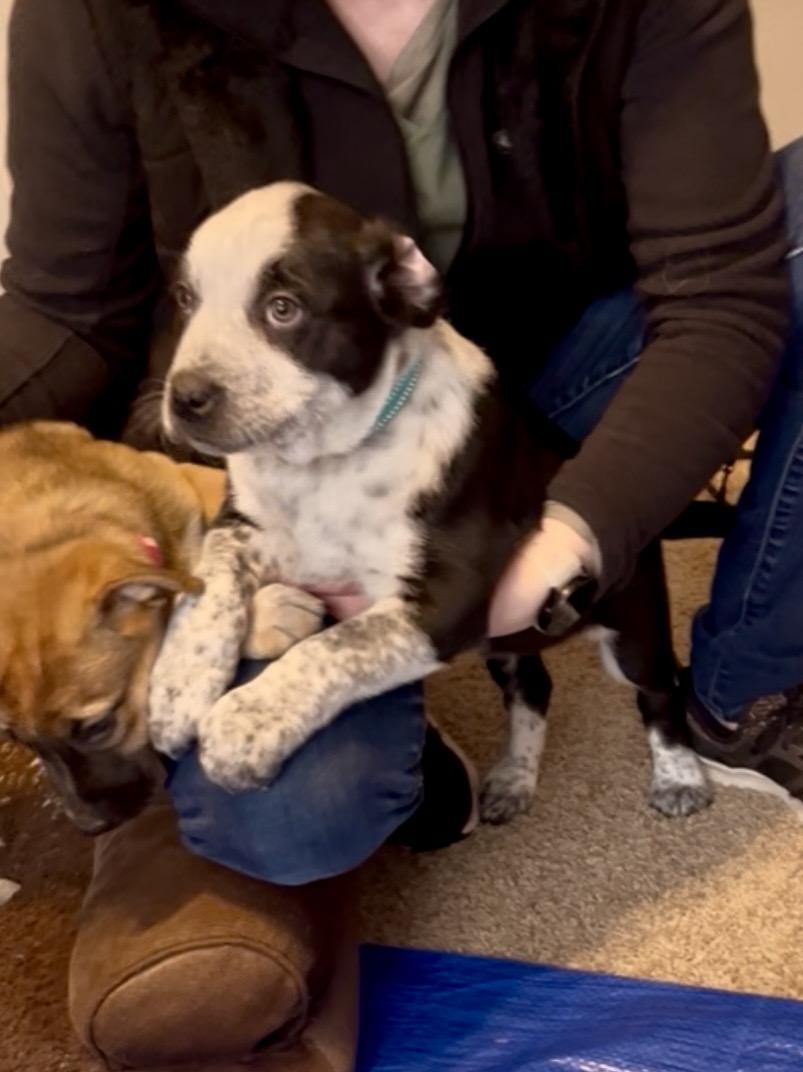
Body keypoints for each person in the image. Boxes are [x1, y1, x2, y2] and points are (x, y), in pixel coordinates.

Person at [1, 0, 800, 1064]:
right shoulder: (93, 15)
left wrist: (564, 538)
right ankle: (388, 733)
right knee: (283, 820)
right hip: (281, 459)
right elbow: (63, 307)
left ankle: (737, 686)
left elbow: (720, 300)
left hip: (536, 386)